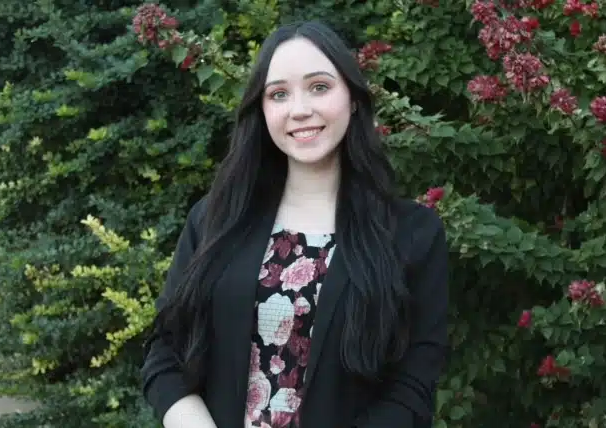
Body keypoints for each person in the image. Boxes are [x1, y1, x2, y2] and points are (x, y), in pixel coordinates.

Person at [141, 20, 449, 428]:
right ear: (263, 110)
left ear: (353, 99)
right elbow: (164, 351)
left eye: (319, 87)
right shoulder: (216, 219)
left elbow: (412, 387)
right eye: (279, 94)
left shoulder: (413, 233)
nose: (299, 109)